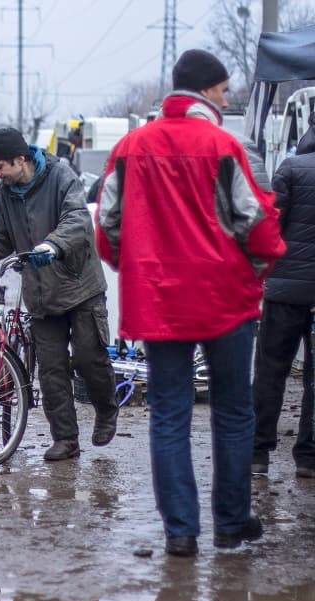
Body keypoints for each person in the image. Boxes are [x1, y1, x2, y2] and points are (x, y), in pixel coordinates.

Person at [96, 49, 285, 557]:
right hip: (225, 299)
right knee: (232, 411)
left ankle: (180, 531)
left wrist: (135, 268)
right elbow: (257, 224)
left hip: (159, 300)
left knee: (169, 415)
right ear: (206, 91)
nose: (227, 101)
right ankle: (231, 522)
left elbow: (108, 226)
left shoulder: (131, 148)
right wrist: (258, 273)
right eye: (224, 92)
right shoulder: (224, 145)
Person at [0, 127, 119, 464]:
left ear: (20, 160)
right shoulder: (4, 194)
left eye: (0, 167)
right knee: (51, 370)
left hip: (80, 285)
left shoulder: (60, 177)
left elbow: (77, 219)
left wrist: (53, 245)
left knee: (89, 358)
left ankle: (106, 408)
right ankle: (66, 440)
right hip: (41, 293)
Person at [251, 123, 315, 479]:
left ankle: (258, 451)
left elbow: (270, 229)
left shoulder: (291, 168)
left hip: (285, 292)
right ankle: (308, 456)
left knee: (271, 371)